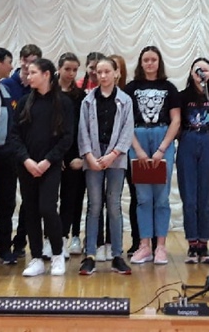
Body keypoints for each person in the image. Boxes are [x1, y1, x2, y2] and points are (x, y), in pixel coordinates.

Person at [7, 59, 74, 277]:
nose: (28, 76)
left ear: (46, 75)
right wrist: (26, 160)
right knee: (31, 210)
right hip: (26, 165)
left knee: (47, 207)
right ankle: (36, 257)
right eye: (28, 72)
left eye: (33, 72)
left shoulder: (63, 103)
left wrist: (48, 161)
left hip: (50, 165)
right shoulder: (24, 102)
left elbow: (67, 137)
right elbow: (14, 135)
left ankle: (57, 254)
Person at [77, 57, 134, 276]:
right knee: (94, 205)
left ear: (116, 73)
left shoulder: (125, 101)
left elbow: (127, 131)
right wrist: (89, 156)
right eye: (99, 72)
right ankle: (90, 254)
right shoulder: (88, 100)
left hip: (116, 158)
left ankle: (117, 255)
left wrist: (113, 155)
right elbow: (83, 131)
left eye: (107, 71)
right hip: (93, 156)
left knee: (114, 205)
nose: (102, 76)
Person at [125, 46, 180, 265]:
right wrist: (138, 150)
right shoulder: (131, 88)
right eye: (146, 59)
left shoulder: (169, 88)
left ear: (159, 62)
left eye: (153, 59)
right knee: (143, 197)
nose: (149, 63)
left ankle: (161, 247)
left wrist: (162, 148)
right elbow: (126, 121)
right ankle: (144, 245)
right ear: (141, 62)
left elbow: (176, 120)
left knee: (162, 197)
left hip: (162, 138)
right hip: (137, 138)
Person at [177, 57, 209, 264]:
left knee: (206, 197)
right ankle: (192, 243)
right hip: (188, 142)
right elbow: (177, 123)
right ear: (191, 73)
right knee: (189, 196)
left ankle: (204, 243)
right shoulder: (183, 96)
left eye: (205, 70)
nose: (201, 73)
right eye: (197, 69)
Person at [0, 46, 24, 264]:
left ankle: (3, 246)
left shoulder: (4, 88)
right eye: (9, 62)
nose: (11, 66)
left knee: (7, 203)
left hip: (7, 156)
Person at [56, 52, 89, 256]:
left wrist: (79, 156)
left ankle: (65, 237)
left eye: (75, 70)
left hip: (74, 155)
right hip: (52, 155)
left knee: (71, 198)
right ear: (59, 68)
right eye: (67, 69)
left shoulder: (80, 97)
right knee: (49, 200)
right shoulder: (49, 92)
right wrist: (54, 155)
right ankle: (49, 238)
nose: (71, 73)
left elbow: (81, 128)